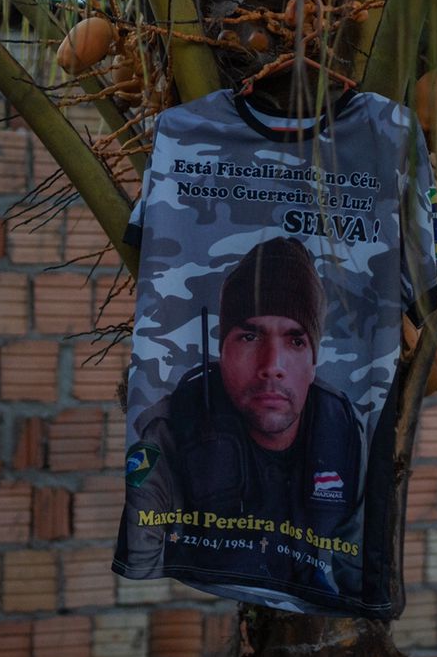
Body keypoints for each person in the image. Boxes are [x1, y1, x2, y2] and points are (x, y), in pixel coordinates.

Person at [121, 236, 365, 598]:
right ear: (222, 351)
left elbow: (357, 575)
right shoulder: (172, 431)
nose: (272, 367)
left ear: (314, 363)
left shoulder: (342, 429)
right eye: (250, 336)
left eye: (295, 341)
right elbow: (142, 564)